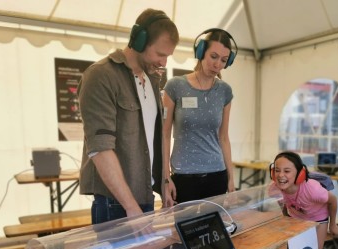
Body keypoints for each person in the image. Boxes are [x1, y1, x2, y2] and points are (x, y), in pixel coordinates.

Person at [78, 9, 179, 224]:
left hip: (145, 197)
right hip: (116, 204)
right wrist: (131, 207)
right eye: (160, 54)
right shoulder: (101, 76)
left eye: (167, 56)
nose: (164, 63)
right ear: (139, 41)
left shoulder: (151, 80)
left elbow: (156, 137)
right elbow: (100, 148)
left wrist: (164, 179)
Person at [162, 28, 237, 207]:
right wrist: (165, 178)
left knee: (213, 231)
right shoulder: (175, 86)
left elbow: (224, 138)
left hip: (217, 175)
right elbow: (164, 135)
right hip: (183, 176)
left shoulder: (224, 91)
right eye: (213, 56)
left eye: (224, 60)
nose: (217, 64)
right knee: (182, 231)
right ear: (201, 51)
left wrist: (231, 178)